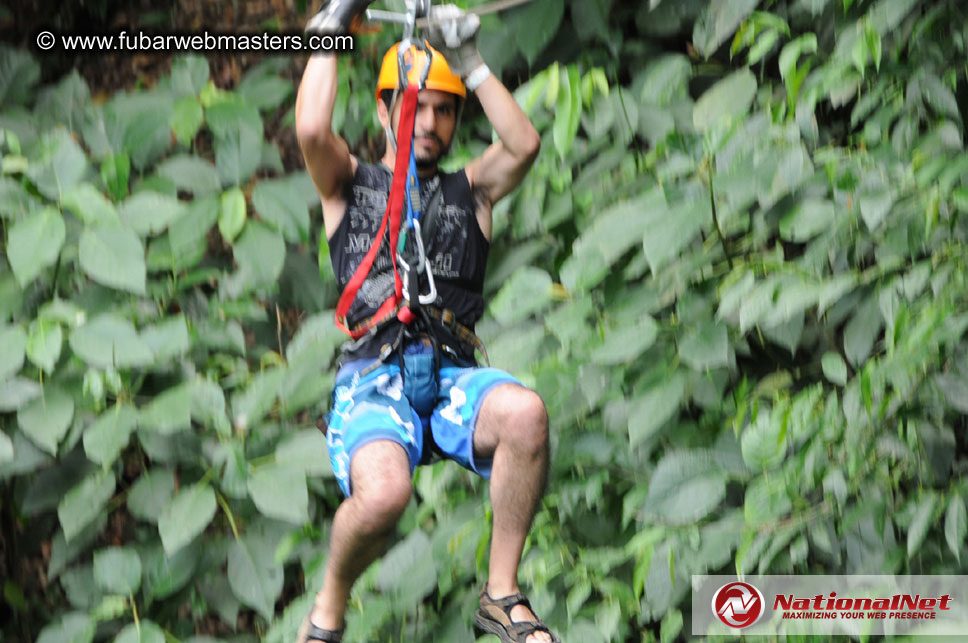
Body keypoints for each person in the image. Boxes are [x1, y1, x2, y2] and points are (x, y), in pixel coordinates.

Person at [293, 2, 558, 643]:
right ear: (385, 110)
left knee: (526, 414)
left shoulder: (474, 190)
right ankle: (328, 610)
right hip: (375, 381)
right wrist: (332, 31)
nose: (432, 121)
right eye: (420, 105)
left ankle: (501, 594)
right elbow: (309, 129)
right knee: (383, 496)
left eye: (446, 108)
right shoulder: (347, 184)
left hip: (451, 379)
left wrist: (470, 61)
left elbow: (523, 143)